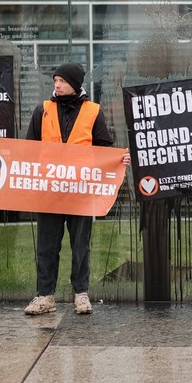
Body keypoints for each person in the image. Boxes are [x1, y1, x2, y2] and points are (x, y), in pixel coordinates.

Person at [23, 62, 130, 316]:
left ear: (75, 83)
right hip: (49, 192)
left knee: (80, 244)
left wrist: (118, 160)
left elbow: (104, 147)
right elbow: (28, 148)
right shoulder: (43, 110)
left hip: (81, 192)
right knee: (47, 246)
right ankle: (45, 296)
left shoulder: (93, 112)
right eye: (55, 81)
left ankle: (81, 294)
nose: (56, 85)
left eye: (61, 81)